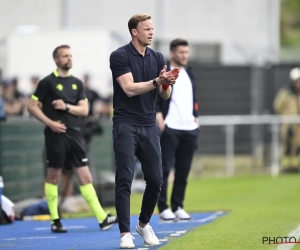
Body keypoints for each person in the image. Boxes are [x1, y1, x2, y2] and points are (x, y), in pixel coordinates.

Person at [27, 44, 118, 233]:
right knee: (53, 176)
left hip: (75, 135)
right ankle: (55, 220)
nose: (69, 58)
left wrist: (67, 106)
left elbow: (84, 110)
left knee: (85, 176)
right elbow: (31, 106)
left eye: (70, 55)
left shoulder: (77, 83)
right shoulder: (47, 83)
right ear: (56, 59)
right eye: (64, 56)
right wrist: (50, 122)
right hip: (56, 136)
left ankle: (102, 218)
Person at [109, 14, 180, 249]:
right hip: (125, 123)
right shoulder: (119, 55)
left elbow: (164, 94)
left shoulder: (158, 57)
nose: (151, 32)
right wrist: (157, 81)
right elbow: (128, 89)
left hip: (149, 124)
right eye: (146, 29)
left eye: (152, 28)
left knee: (157, 179)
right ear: (134, 32)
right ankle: (125, 233)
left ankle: (143, 223)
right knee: (125, 178)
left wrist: (166, 83)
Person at [156, 39, 199, 221]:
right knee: (165, 169)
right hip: (170, 127)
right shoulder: (165, 73)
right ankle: (163, 207)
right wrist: (160, 120)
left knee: (183, 170)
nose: (184, 56)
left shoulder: (189, 73)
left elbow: (193, 98)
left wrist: (196, 117)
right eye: (181, 52)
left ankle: (178, 205)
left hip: (189, 128)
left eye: (186, 52)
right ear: (172, 53)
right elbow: (158, 98)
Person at [274, 67, 300, 173]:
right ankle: (284, 167)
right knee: (286, 145)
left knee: (297, 145)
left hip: (298, 126)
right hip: (288, 124)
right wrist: (285, 116)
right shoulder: (286, 93)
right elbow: (277, 106)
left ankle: (294, 166)